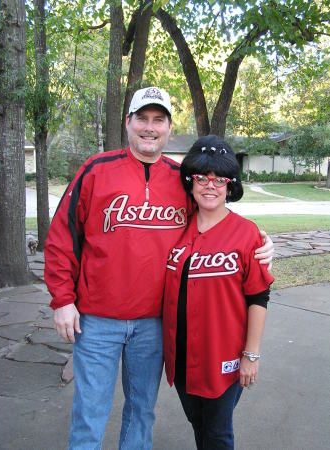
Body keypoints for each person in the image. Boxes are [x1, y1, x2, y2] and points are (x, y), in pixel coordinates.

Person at [44, 87, 274, 450]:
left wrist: (261, 242)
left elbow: (217, 219)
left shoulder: (182, 179)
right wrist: (62, 300)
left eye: (159, 120)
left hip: (154, 324)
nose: (149, 128)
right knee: (91, 411)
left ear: (168, 128)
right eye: (142, 119)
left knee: (141, 411)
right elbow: (61, 238)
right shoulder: (95, 170)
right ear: (128, 123)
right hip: (97, 320)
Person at [163, 134, 274, 450]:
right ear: (191, 181)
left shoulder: (246, 233)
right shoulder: (177, 229)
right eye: (201, 177)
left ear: (230, 185)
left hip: (223, 357)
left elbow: (259, 297)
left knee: (217, 433)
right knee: (198, 424)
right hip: (182, 357)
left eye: (219, 179)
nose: (210, 185)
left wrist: (250, 356)